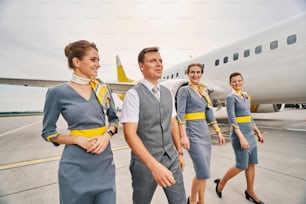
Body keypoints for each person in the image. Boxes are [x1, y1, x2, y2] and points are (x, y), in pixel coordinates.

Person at [41, 40, 119, 204]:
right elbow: (48, 133)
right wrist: (76, 139)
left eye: (98, 60)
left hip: (104, 164)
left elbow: (114, 120)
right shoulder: (56, 93)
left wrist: (107, 135)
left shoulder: (103, 88)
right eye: (93, 59)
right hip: (75, 168)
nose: (98, 64)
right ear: (76, 62)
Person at [120, 47, 187, 204]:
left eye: (160, 61)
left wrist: (180, 153)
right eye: (153, 61)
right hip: (145, 163)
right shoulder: (133, 94)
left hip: (171, 159)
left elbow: (173, 123)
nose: (159, 64)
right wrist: (153, 165)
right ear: (141, 66)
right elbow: (130, 134)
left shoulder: (167, 92)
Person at [176, 63, 225, 204]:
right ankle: (191, 201)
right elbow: (181, 114)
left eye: (198, 72)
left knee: (204, 174)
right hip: (192, 133)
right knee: (203, 172)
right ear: (188, 74)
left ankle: (201, 202)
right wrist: (183, 135)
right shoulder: (184, 91)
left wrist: (218, 132)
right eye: (192, 72)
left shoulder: (204, 91)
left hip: (204, 133)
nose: (195, 75)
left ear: (202, 73)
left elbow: (209, 113)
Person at [214, 72, 265, 204]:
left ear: (242, 81)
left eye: (239, 81)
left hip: (250, 135)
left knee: (251, 164)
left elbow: (249, 116)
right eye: (234, 81)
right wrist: (241, 138)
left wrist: (257, 131)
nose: (237, 83)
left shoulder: (246, 96)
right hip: (239, 136)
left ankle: (250, 191)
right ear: (230, 83)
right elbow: (232, 119)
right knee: (241, 165)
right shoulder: (231, 98)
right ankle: (221, 183)